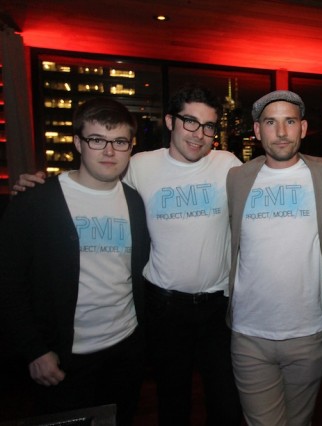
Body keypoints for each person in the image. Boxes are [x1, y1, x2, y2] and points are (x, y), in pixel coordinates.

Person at [13, 85, 243, 425]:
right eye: (190, 122)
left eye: (209, 126)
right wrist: (36, 185)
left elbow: (259, 190)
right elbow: (90, 178)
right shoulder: (138, 165)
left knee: (225, 401)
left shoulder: (227, 164)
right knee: (171, 400)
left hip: (216, 308)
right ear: (170, 121)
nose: (199, 134)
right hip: (163, 308)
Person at [0, 98, 150, 425]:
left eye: (120, 142)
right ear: (78, 142)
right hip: (62, 358)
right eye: (97, 140)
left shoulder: (135, 202)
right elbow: (9, 283)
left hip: (125, 350)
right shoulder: (36, 202)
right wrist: (34, 350)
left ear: (131, 146)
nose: (109, 151)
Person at [226, 90, 322, 425]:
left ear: (303, 128)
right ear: (257, 130)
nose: (281, 131)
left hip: (308, 332)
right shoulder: (238, 178)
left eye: (289, 121)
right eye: (271, 122)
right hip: (249, 334)